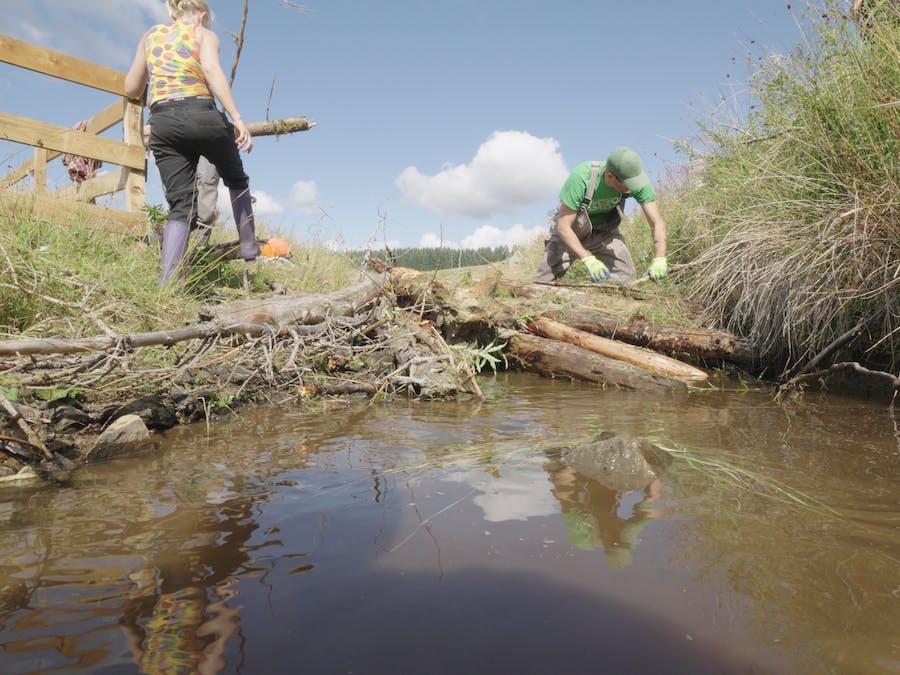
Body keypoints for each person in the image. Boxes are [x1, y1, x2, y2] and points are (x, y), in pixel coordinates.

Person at [125, 0, 259, 286]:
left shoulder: (150, 36)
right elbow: (211, 69)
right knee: (236, 178)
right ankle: (249, 245)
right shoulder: (203, 34)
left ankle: (168, 283)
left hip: (163, 122)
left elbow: (131, 88)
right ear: (201, 16)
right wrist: (236, 117)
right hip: (202, 114)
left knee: (180, 205)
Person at [534, 146, 668, 284]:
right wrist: (588, 259)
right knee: (543, 282)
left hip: (605, 232)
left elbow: (657, 222)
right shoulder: (582, 178)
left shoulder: (635, 180)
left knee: (626, 278)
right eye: (627, 185)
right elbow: (563, 227)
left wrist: (660, 258)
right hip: (571, 231)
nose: (632, 188)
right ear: (610, 176)